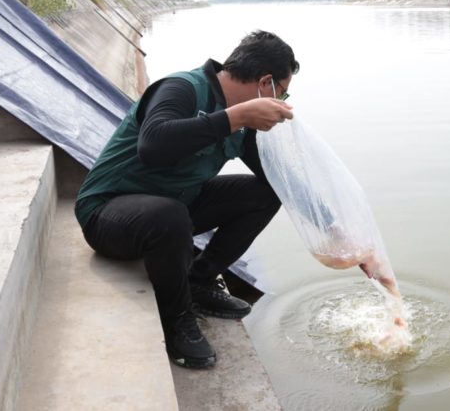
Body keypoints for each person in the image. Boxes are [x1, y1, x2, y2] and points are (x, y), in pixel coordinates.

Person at [74, 30, 298, 369]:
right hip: (109, 213)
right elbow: (153, 145)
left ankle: (199, 281)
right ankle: (177, 319)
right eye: (283, 92)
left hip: (175, 208)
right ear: (265, 83)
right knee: (169, 216)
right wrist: (234, 118)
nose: (282, 101)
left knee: (266, 193)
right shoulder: (181, 88)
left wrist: (341, 234)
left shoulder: (241, 121)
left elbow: (278, 179)